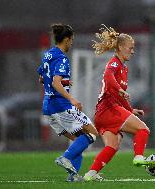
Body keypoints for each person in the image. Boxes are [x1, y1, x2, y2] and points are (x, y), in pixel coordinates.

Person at [83, 25, 155, 181]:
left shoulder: (124, 68)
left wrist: (131, 110)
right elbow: (109, 76)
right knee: (143, 129)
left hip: (102, 114)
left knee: (113, 145)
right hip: (109, 110)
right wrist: (119, 89)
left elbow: (120, 97)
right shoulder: (115, 63)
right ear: (121, 47)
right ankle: (138, 157)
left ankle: (91, 174)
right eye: (130, 48)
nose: (133, 51)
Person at [37, 23, 98, 182]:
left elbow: (42, 78)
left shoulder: (48, 55)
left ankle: (73, 176)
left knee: (79, 139)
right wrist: (72, 98)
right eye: (71, 40)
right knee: (91, 133)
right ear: (65, 40)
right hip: (60, 106)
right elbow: (56, 83)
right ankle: (65, 158)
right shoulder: (62, 58)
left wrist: (64, 82)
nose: (71, 43)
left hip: (48, 107)